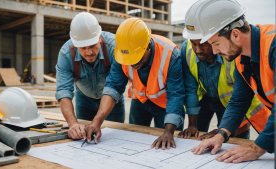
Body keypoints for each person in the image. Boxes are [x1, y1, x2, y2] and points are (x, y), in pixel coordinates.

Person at [187, 0, 275, 163]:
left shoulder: (273, 46)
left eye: (215, 43)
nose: (214, 51)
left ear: (235, 34)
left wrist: (256, 149)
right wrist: (221, 135)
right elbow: (239, 101)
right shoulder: (241, 58)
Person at [79, 18, 187, 150]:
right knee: (136, 144)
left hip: (166, 106)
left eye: (136, 58)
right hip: (140, 102)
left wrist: (169, 132)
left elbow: (176, 94)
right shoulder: (122, 53)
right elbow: (113, 86)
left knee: (166, 146)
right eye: (128, 59)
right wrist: (97, 122)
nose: (132, 63)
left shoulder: (170, 54)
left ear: (147, 46)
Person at [55, 12, 125, 140]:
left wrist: (97, 121)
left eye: (92, 45)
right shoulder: (66, 54)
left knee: (116, 139)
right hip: (84, 100)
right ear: (75, 44)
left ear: (99, 37)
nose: (89, 52)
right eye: (83, 48)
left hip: (113, 102)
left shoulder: (115, 48)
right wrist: (73, 124)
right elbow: (63, 91)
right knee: (83, 137)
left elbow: (115, 86)